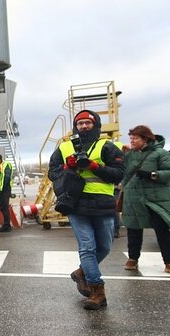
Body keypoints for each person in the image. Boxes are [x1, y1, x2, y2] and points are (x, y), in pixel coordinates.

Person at [48, 109, 124, 309]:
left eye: (87, 123)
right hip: (75, 203)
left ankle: (81, 272)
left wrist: (93, 167)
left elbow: (118, 174)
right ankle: (97, 290)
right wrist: (67, 168)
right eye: (80, 124)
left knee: (105, 246)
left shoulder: (107, 146)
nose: (83, 126)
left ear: (95, 125)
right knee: (87, 247)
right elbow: (52, 172)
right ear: (76, 127)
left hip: (104, 203)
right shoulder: (64, 148)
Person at [121, 126, 170, 276]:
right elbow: (122, 171)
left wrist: (152, 174)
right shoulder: (130, 155)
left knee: (162, 230)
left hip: (156, 199)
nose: (132, 141)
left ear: (145, 139)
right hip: (133, 197)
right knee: (133, 229)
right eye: (131, 138)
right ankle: (133, 258)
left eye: (135, 138)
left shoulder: (161, 153)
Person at [0, 153, 13, 232]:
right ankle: (6, 225)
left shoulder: (6, 164)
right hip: (0, 190)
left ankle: (7, 226)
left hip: (5, 190)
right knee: (1, 206)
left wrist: (0, 188)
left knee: (4, 207)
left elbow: (6, 178)